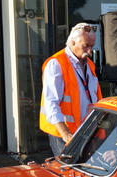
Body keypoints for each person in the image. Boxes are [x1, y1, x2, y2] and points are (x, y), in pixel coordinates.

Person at [40, 22, 102, 156]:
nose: (90, 51)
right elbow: (50, 102)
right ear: (73, 42)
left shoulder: (89, 65)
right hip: (65, 134)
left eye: (91, 46)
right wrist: (65, 133)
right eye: (86, 46)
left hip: (86, 131)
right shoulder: (56, 63)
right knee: (68, 173)